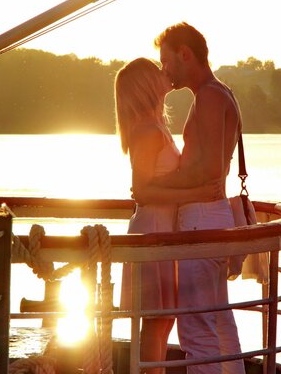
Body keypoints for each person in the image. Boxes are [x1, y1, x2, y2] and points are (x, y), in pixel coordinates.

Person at [150, 22, 245, 374]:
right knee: (219, 323)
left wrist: (156, 185)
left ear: (184, 54)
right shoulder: (223, 93)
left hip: (201, 219)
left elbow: (205, 170)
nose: (164, 69)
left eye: (165, 61)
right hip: (214, 215)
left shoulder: (208, 96)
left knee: (195, 327)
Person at [114, 57, 220, 374]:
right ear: (147, 85)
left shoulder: (155, 125)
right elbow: (142, 191)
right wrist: (196, 194)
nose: (166, 74)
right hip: (152, 229)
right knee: (157, 320)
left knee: (163, 319)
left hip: (163, 229)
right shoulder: (147, 130)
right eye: (157, 72)